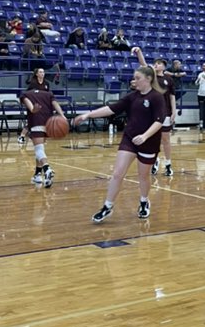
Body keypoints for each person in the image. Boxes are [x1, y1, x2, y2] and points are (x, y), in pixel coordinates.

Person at [75, 65, 167, 222]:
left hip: (148, 142)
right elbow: (111, 109)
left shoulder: (157, 97)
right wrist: (88, 115)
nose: (134, 81)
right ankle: (107, 206)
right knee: (117, 173)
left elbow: (159, 121)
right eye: (134, 78)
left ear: (148, 79)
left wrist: (145, 136)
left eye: (137, 78)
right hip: (130, 139)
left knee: (143, 176)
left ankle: (144, 201)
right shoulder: (132, 97)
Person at [133, 47, 177, 177]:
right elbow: (143, 65)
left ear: (164, 66)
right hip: (152, 112)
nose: (156, 65)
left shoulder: (169, 80)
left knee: (166, 139)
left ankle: (168, 164)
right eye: (155, 63)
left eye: (159, 63)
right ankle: (155, 160)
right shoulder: (151, 76)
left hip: (166, 113)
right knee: (152, 138)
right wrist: (139, 52)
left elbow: (172, 97)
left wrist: (174, 112)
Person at [19, 71, 65, 188]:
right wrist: (63, 116)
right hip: (48, 123)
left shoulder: (26, 94)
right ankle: (38, 175)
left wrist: (34, 110)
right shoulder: (49, 94)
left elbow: (31, 108)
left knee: (39, 150)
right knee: (41, 149)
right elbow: (55, 104)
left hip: (36, 122)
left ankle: (47, 168)